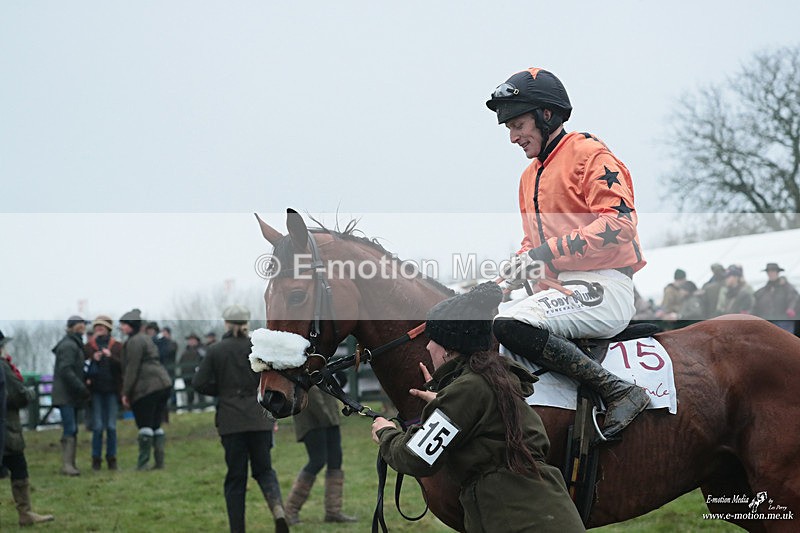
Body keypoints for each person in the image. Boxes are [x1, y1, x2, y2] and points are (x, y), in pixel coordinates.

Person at [485, 67, 649, 439]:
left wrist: (545, 252)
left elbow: (620, 224)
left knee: (511, 325)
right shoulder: (529, 176)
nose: (512, 137)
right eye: (508, 128)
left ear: (546, 114)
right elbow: (534, 242)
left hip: (605, 288)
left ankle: (619, 389)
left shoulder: (589, 154)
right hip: (561, 292)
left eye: (517, 124)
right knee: (488, 326)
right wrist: (509, 274)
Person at [372, 282, 585, 532]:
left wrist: (386, 433)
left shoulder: (468, 390)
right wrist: (445, 399)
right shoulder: (494, 378)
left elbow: (416, 457)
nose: (428, 347)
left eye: (433, 339)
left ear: (449, 348)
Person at [192, 305, 288, 533]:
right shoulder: (258, 348)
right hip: (259, 418)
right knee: (265, 471)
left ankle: (238, 529)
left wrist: (223, 391)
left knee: (235, 478)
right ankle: (278, 510)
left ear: (227, 323)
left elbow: (199, 383)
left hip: (231, 421)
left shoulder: (216, 350)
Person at [284, 379, 357, 525]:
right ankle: (290, 511)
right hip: (313, 421)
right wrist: (327, 418)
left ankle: (333, 512)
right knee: (317, 461)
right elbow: (312, 392)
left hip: (329, 419)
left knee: (336, 461)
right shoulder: (305, 359)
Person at [2, 335, 55, 526]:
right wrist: (30, 393)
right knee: (18, 467)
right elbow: (18, 395)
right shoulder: (3, 367)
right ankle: (25, 513)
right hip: (6, 428)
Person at [119, 308, 172, 470]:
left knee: (144, 425)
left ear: (130, 326)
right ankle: (159, 462)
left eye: (123, 325)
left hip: (147, 387)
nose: (121, 328)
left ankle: (143, 463)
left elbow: (132, 368)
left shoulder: (134, 342)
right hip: (163, 383)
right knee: (156, 424)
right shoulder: (146, 338)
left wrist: (126, 392)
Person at [52, 315, 90, 476]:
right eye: (81, 324)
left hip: (70, 394)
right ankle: (67, 464)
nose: (84, 327)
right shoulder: (69, 345)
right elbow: (66, 370)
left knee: (72, 428)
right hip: (66, 395)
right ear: (74, 326)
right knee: (70, 427)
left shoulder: (73, 343)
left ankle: (70, 463)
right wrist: (81, 387)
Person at [83, 315, 123, 470]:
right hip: (96, 392)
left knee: (112, 427)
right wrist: (93, 358)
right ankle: (96, 459)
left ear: (108, 329)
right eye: (96, 327)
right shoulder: (88, 347)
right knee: (98, 427)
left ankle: (112, 459)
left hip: (112, 390)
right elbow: (83, 368)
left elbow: (122, 366)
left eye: (102, 327)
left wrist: (110, 357)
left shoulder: (117, 346)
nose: (99, 330)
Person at [753, 263, 798, 333]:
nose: (771, 274)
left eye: (773, 271)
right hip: (768, 322)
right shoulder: (763, 291)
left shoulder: (787, 288)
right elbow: (755, 305)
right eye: (769, 272)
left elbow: (794, 298)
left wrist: (791, 308)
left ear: (777, 272)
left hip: (784, 322)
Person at [178, 333, 203, 410]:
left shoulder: (201, 350)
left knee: (200, 392)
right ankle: (190, 408)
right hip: (187, 376)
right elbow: (180, 362)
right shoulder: (185, 351)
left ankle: (202, 407)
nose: (191, 342)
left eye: (192, 340)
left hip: (198, 375)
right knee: (189, 393)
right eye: (189, 340)